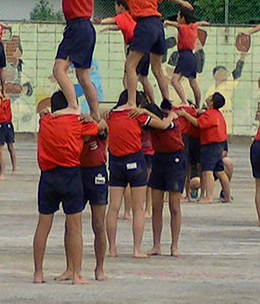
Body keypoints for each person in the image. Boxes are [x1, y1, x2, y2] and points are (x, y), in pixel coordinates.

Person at [93, 0, 192, 109]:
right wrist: (182, 2)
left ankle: (131, 102)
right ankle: (166, 103)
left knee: (130, 65)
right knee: (157, 69)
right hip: (158, 27)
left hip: (144, 26)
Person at [44, 0, 121, 118]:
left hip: (76, 28)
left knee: (58, 70)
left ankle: (73, 105)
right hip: (87, 29)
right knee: (83, 76)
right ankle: (95, 114)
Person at [32, 90, 105, 285]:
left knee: (43, 226)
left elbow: (43, 113)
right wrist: (90, 117)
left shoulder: (45, 122)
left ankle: (38, 273)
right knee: (75, 227)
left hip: (47, 176)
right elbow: (98, 128)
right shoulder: (75, 123)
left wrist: (46, 113)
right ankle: (76, 274)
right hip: (70, 175)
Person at [105, 90, 176, 258]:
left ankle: (112, 248)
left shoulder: (111, 116)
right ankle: (136, 249)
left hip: (115, 161)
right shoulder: (137, 115)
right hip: (135, 161)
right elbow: (163, 125)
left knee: (113, 207)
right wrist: (169, 116)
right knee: (138, 208)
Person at [56, 117, 109, 282]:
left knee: (98, 223)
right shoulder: (74, 126)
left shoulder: (97, 125)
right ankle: (70, 268)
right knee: (70, 224)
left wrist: (92, 122)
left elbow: (102, 127)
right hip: (77, 171)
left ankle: (99, 268)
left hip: (96, 172)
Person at [144, 100, 186, 257]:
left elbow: (163, 125)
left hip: (175, 159)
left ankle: (174, 245)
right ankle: (156, 245)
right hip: (159, 158)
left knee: (174, 206)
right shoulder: (153, 123)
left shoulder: (170, 119)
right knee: (156, 206)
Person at [176, 93, 230, 204]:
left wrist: (185, 114)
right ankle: (227, 196)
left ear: (212, 103)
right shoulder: (217, 114)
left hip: (210, 146)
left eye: (211, 97)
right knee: (220, 171)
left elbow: (198, 123)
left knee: (207, 171)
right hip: (219, 145)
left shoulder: (209, 114)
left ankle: (208, 197)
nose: (208, 97)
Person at [98, 0, 154, 102]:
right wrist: (109, 28)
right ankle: (153, 103)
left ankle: (131, 101)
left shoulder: (122, 16)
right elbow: (123, 26)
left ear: (121, 7)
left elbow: (113, 20)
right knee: (143, 79)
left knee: (126, 79)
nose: (115, 9)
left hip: (134, 47)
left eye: (116, 6)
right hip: (145, 48)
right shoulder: (134, 15)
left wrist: (101, 22)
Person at [164, 8, 209, 108]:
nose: (177, 18)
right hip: (192, 57)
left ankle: (184, 101)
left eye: (178, 16)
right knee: (193, 82)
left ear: (183, 18)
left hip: (184, 56)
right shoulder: (193, 27)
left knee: (174, 81)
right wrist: (203, 23)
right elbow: (198, 23)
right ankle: (197, 104)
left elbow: (176, 25)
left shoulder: (182, 28)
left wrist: (167, 22)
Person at [2, 97, 17, 175]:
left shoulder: (5, 101)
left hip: (7, 124)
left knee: (10, 147)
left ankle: (14, 168)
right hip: (0, 124)